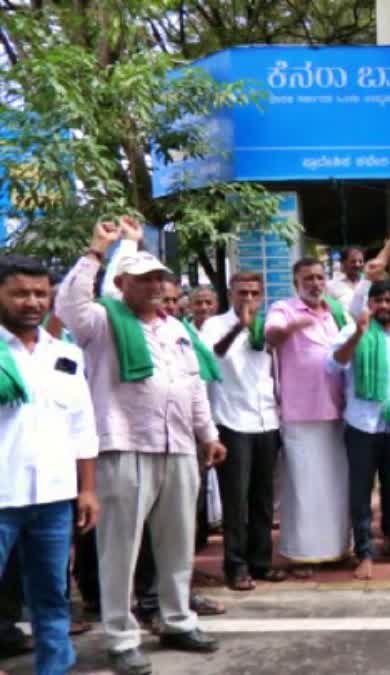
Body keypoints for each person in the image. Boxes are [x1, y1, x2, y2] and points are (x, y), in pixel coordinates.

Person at [57, 218, 227, 675]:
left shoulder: (176, 329)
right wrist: (97, 248)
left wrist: (208, 435)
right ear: (121, 284)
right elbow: (69, 303)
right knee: (120, 549)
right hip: (124, 446)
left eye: (160, 278)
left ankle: (175, 619)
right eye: (145, 278)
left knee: (177, 544)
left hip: (179, 449)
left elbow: (191, 387)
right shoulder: (103, 321)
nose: (156, 285)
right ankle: (120, 635)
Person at [0, 254, 99, 675]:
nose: (32, 302)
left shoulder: (67, 354)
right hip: (2, 494)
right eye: (20, 293)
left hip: (55, 497)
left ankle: (54, 667)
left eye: (41, 293)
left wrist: (88, 489)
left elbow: (82, 425)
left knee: (52, 594)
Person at [330, 279, 390, 579]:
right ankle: (364, 552)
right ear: (370, 303)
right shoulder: (353, 330)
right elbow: (334, 364)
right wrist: (357, 335)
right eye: (378, 301)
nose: (384, 306)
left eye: (389, 300)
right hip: (361, 424)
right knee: (360, 492)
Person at [265, 257, 353, 577]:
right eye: (308, 278)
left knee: (335, 484)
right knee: (303, 488)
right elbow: (271, 336)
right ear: (296, 282)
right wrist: (290, 329)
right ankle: (302, 554)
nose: (315, 283)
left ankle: (338, 549)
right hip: (300, 413)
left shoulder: (334, 313)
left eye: (319, 277)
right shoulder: (283, 309)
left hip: (336, 410)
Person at [200, 271, 287, 591]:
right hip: (232, 420)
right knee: (235, 500)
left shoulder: (266, 328)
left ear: (261, 295)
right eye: (242, 293)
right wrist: (240, 325)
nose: (248, 299)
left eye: (253, 293)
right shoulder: (214, 325)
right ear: (230, 294)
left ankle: (260, 561)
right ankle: (235, 566)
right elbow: (215, 355)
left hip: (267, 420)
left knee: (263, 498)